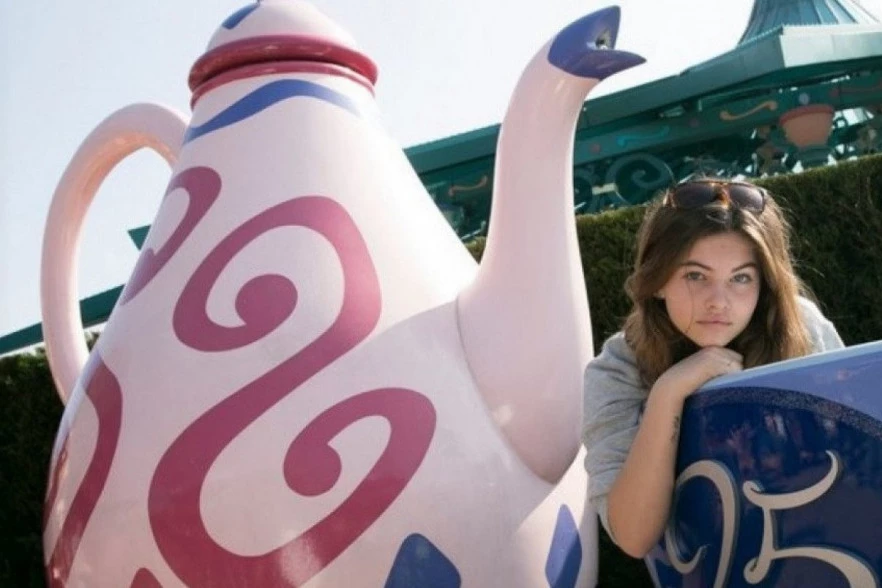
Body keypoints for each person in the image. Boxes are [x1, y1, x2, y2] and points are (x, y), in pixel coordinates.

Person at [581, 178, 844, 558]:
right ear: (657, 280)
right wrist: (668, 393)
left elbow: (857, 455)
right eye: (695, 276)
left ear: (764, 285)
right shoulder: (617, 370)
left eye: (741, 278)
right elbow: (633, 536)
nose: (718, 301)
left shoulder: (801, 328)